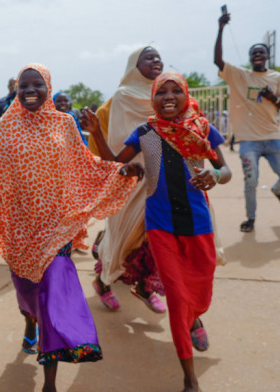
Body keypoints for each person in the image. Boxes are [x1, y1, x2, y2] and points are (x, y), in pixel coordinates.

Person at [0, 63, 141, 392]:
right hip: (20, 230)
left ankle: (50, 384)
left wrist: (118, 173)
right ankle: (29, 321)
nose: (30, 91)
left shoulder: (64, 123)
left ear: (48, 87)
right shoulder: (3, 127)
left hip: (57, 228)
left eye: (37, 84)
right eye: (23, 86)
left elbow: (84, 164)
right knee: (30, 298)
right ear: (16, 91)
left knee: (53, 299)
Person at [83, 71, 232, 392]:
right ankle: (189, 380)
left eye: (175, 91)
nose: (168, 97)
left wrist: (215, 176)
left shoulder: (203, 128)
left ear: (185, 94)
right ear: (153, 97)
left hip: (198, 224)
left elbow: (226, 169)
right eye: (161, 91)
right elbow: (114, 162)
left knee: (200, 292)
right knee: (178, 299)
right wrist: (96, 132)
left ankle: (196, 317)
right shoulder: (146, 131)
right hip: (161, 225)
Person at [91, 46, 167, 312]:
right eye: (148, 56)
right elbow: (121, 140)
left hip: (165, 177)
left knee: (157, 237)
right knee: (124, 237)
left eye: (158, 56)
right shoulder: (123, 96)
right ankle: (104, 281)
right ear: (134, 64)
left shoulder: (168, 91)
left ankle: (146, 287)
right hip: (133, 175)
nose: (156, 60)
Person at [215, 12, 280, 232]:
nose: (257, 55)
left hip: (273, 137)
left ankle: (278, 191)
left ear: (267, 56)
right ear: (250, 58)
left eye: (261, 52)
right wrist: (221, 28)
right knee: (251, 181)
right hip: (249, 140)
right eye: (254, 53)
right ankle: (250, 218)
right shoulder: (239, 75)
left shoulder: (277, 78)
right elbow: (218, 61)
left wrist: (273, 98)